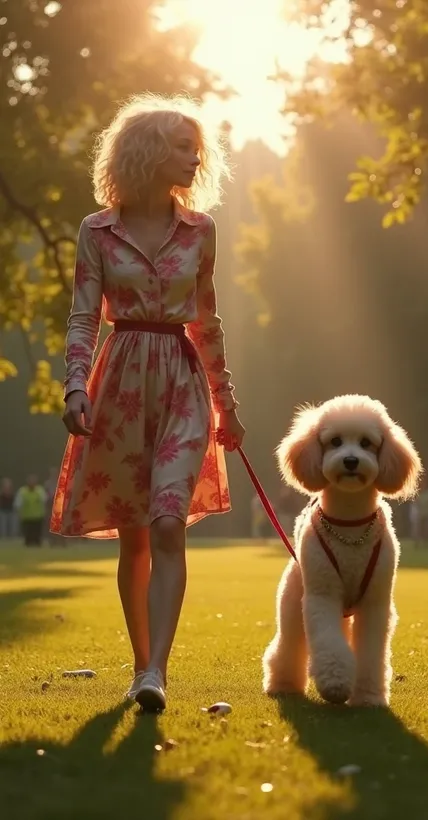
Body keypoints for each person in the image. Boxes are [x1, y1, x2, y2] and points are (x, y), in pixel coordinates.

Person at [50, 94, 245, 712]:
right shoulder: (96, 232)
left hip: (182, 384)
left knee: (167, 523)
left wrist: (226, 403)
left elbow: (208, 321)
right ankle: (141, 666)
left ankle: (157, 669)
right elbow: (84, 318)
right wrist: (75, 386)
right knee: (133, 537)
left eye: (196, 148)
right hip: (121, 385)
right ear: (146, 152)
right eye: (181, 147)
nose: (195, 158)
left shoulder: (202, 231)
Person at [15, 475, 47, 547]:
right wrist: (19, 514)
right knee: (28, 533)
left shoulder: (40, 490)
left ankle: (37, 544)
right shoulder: (22, 491)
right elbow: (18, 504)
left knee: (37, 533)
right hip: (27, 517)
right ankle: (28, 544)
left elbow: (44, 501)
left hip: (38, 516)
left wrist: (45, 513)